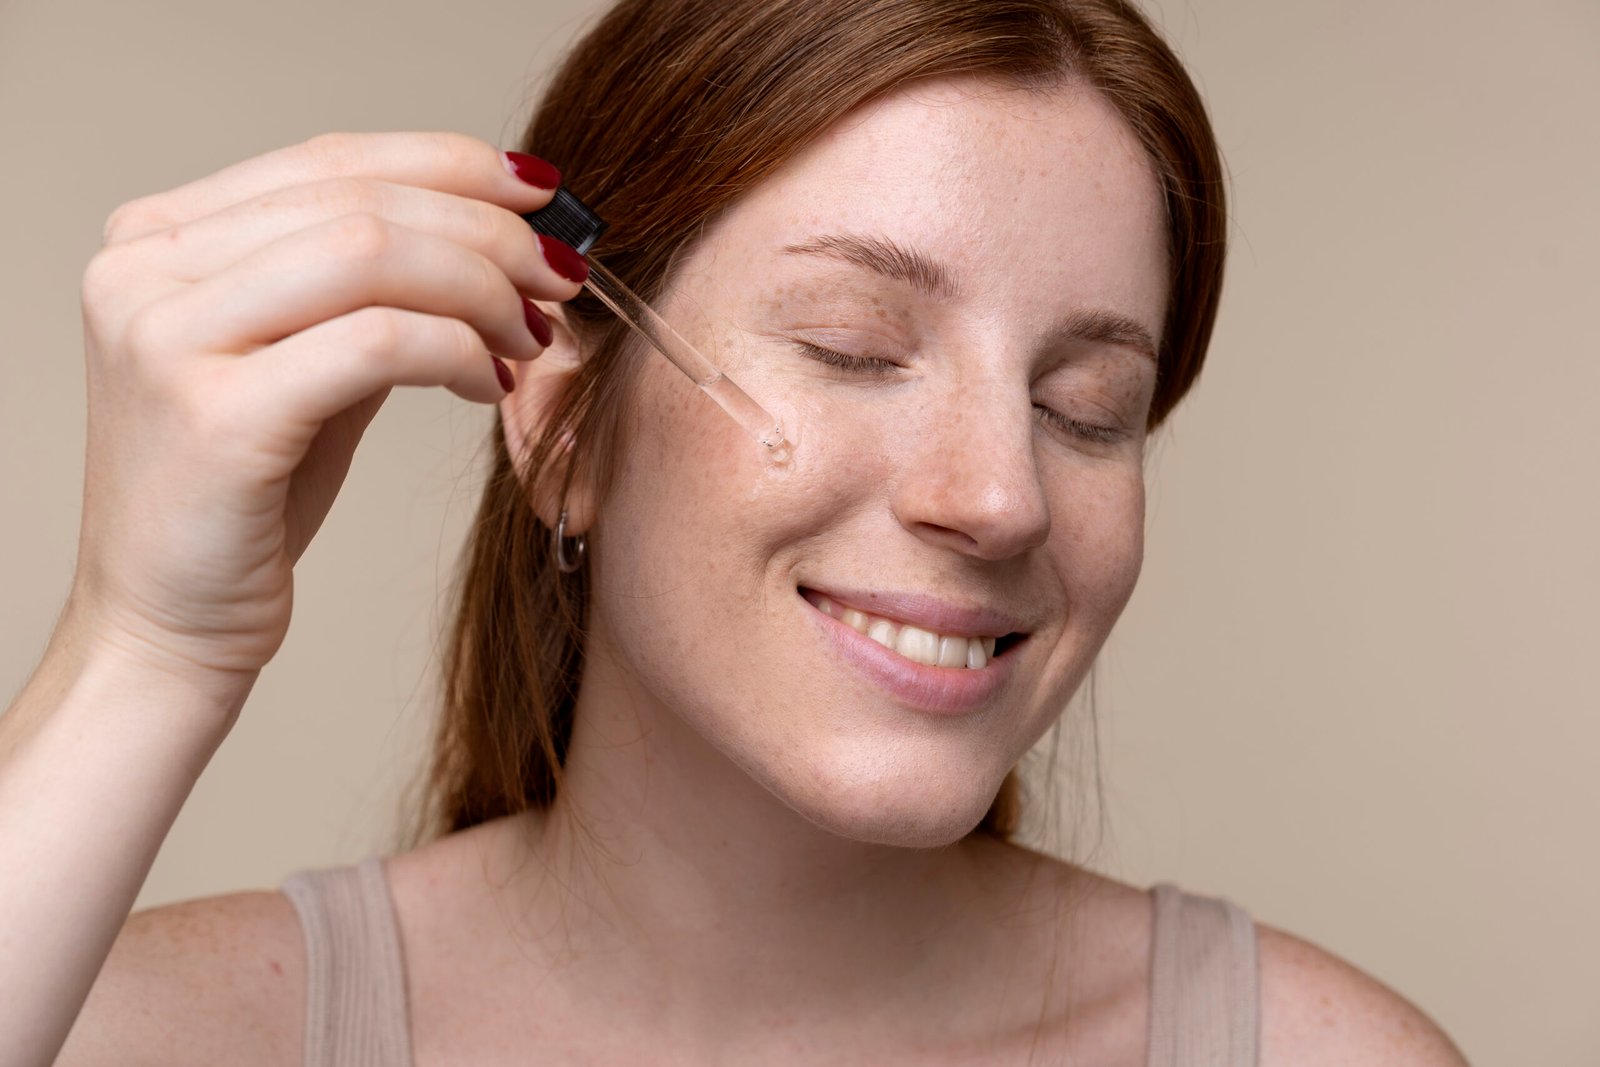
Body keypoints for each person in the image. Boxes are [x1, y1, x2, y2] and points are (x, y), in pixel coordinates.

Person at [1, 0, 1471, 1063]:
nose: (1001, 494)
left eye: (1088, 407)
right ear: (561, 427)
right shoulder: (137, 1029)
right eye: (849, 345)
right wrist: (147, 646)